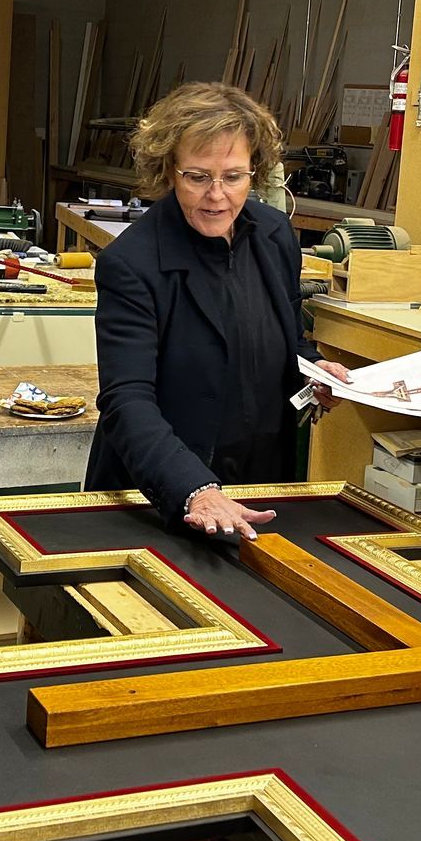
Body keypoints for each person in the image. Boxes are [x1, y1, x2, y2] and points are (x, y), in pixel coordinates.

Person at [84, 81, 349, 541]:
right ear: (169, 171)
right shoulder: (132, 263)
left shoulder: (273, 237)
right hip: (164, 495)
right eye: (198, 177)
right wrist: (195, 490)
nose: (217, 195)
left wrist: (313, 372)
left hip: (260, 485)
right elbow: (126, 400)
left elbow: (287, 341)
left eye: (234, 176)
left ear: (255, 170)